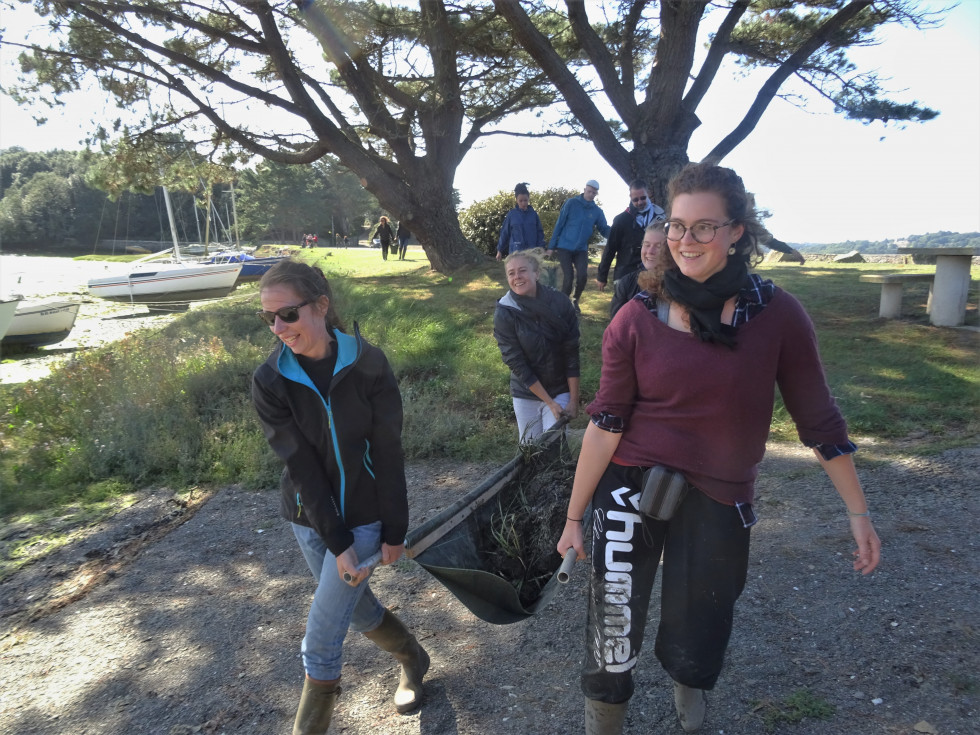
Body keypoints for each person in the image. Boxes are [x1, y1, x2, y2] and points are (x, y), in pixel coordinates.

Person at [556, 162, 881, 735]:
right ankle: (603, 720)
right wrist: (575, 514)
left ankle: (690, 694)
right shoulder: (635, 316)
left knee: (701, 620)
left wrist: (858, 512)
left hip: (720, 493)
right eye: (678, 226)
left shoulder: (777, 315)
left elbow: (820, 420)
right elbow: (606, 422)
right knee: (612, 621)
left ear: (736, 231)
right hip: (629, 485)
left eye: (705, 227)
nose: (686, 241)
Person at [251, 260, 429, 734]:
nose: (278, 328)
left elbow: (388, 452)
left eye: (287, 314)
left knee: (321, 639)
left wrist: (394, 531)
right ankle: (413, 658)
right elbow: (300, 465)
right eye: (268, 318)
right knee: (358, 608)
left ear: (321, 306)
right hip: (309, 519)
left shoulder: (368, 363)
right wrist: (335, 541)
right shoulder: (270, 380)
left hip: (366, 516)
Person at [493, 248, 581, 443]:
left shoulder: (560, 302)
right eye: (511, 273)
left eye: (522, 270)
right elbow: (516, 362)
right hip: (526, 392)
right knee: (530, 452)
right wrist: (548, 402)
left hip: (559, 389)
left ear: (536, 273)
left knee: (553, 447)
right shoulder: (505, 311)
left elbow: (571, 352)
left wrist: (574, 401)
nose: (517, 277)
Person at [546, 179, 610, 312]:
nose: (590, 194)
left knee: (582, 276)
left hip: (581, 249)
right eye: (589, 191)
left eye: (594, 193)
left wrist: (617, 234)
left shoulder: (597, 211)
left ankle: (575, 301)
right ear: (585, 189)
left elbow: (604, 229)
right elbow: (560, 224)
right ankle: (563, 304)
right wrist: (551, 246)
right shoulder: (571, 203)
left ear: (596, 194)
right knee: (568, 277)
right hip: (564, 247)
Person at [595, 179, 665, 293]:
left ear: (649, 194)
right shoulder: (620, 220)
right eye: (635, 200)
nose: (640, 202)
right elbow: (610, 248)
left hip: (653, 273)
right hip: (625, 272)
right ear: (630, 198)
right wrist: (602, 276)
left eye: (643, 198)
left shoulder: (661, 217)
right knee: (621, 309)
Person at [608, 222, 666, 319]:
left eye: (659, 246)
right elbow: (616, 326)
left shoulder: (681, 285)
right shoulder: (627, 283)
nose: (650, 251)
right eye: (647, 245)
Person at [496, 182, 545, 261]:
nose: (523, 203)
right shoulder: (511, 215)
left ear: (528, 198)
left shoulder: (534, 215)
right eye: (520, 201)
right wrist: (499, 250)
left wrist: (540, 248)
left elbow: (540, 232)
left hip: (532, 253)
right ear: (516, 200)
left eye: (525, 200)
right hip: (515, 252)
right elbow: (505, 233)